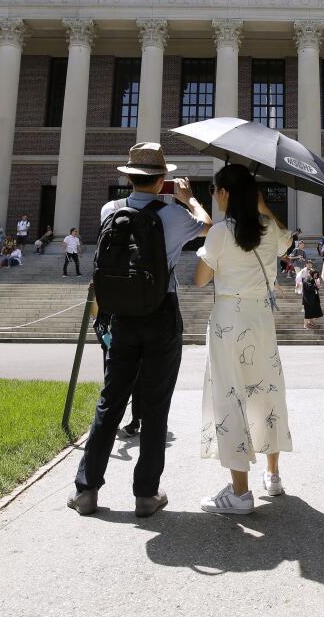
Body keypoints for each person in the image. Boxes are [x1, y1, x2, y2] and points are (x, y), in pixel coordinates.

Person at [70, 142, 211, 519]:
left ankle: (86, 490)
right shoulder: (174, 214)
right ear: (162, 179)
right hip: (161, 311)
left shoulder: (109, 210)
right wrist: (189, 198)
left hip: (121, 316)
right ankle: (146, 494)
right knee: (155, 405)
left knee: (110, 400)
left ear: (128, 177)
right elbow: (208, 227)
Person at [193, 164, 293, 515]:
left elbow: (201, 279)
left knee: (230, 394)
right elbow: (286, 242)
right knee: (266, 390)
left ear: (224, 194)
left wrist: (209, 256)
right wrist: (264, 206)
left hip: (228, 321)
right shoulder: (268, 228)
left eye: (214, 190)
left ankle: (239, 493)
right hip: (261, 319)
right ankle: (274, 474)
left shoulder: (220, 232)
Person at [301, 263, 323, 329]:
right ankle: (305, 325)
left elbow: (314, 288)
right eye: (315, 274)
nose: (316, 276)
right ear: (311, 274)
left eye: (316, 275)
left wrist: (316, 287)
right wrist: (316, 287)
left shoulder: (313, 280)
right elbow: (309, 287)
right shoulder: (306, 279)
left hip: (312, 299)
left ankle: (310, 322)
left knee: (312, 312)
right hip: (307, 299)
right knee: (307, 313)